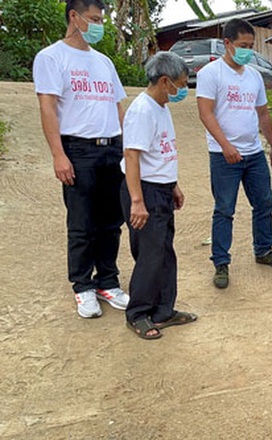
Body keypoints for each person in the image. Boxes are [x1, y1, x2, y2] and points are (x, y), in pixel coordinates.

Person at [33, 0, 130, 318]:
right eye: (94, 18)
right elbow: (47, 108)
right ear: (74, 17)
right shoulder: (51, 58)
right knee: (82, 224)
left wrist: (126, 149)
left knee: (112, 222)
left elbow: (118, 106)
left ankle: (108, 282)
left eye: (102, 19)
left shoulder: (104, 62)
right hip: (79, 150)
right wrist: (59, 155)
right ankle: (82, 287)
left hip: (111, 148)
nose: (100, 24)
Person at [196, 18, 272, 290]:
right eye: (242, 45)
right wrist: (226, 146)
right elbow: (205, 112)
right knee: (224, 209)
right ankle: (221, 262)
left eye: (251, 46)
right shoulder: (211, 73)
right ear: (227, 43)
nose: (247, 50)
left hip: (253, 153)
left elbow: (262, 113)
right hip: (224, 155)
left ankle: (264, 250)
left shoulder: (254, 75)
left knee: (264, 203)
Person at [120, 52, 197, 340]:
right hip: (146, 191)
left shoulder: (161, 107)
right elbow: (131, 155)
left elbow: (161, 152)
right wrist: (137, 201)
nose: (182, 90)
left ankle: (164, 310)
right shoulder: (143, 110)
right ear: (164, 81)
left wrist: (173, 185)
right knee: (149, 255)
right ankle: (138, 313)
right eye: (179, 84)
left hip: (161, 189)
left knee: (165, 252)